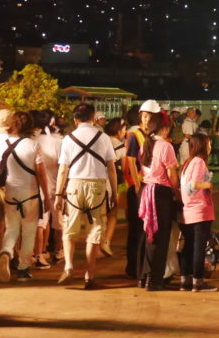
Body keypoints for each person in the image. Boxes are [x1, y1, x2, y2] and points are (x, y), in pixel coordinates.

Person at [55, 103, 117, 288]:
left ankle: (68, 267)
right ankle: (89, 276)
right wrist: (113, 192)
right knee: (95, 228)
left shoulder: (68, 139)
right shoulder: (103, 137)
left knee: (70, 228)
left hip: (74, 185)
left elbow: (63, 169)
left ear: (75, 120)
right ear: (92, 118)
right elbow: (111, 168)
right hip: (97, 186)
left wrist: (59, 194)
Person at [0, 111, 50, 283]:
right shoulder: (33, 145)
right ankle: (23, 269)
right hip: (30, 195)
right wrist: (47, 198)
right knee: (29, 231)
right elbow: (41, 175)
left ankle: (6, 252)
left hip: (10, 193)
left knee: (11, 228)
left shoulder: (4, 144)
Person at [138, 112, 179, 290]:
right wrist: (176, 193)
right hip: (161, 193)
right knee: (161, 237)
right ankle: (155, 280)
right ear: (165, 128)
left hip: (146, 190)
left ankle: (145, 277)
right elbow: (171, 175)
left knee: (149, 235)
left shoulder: (145, 145)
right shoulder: (165, 146)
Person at [124, 100, 161, 279]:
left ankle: (141, 267)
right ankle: (132, 268)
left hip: (149, 186)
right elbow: (130, 160)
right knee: (137, 230)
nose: (146, 120)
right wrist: (138, 186)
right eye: (144, 116)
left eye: (150, 117)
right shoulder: (134, 135)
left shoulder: (153, 136)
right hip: (137, 187)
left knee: (147, 230)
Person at [178, 132, 217, 292]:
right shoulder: (199, 162)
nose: (210, 147)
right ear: (201, 145)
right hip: (199, 210)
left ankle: (185, 280)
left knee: (188, 247)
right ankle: (198, 281)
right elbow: (192, 185)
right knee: (198, 248)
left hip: (188, 210)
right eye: (208, 144)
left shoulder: (188, 163)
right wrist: (207, 186)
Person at [32, 109, 63, 269]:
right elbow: (63, 166)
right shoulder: (58, 141)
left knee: (41, 222)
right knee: (58, 221)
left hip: (36, 187)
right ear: (52, 122)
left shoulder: (32, 140)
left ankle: (40, 253)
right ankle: (57, 251)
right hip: (56, 186)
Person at [103, 117, 127, 255]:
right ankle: (106, 242)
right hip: (115, 183)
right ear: (118, 131)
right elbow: (124, 169)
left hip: (100, 180)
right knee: (113, 213)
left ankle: (98, 241)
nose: (124, 132)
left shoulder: (101, 141)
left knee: (100, 214)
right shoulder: (120, 146)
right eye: (123, 130)